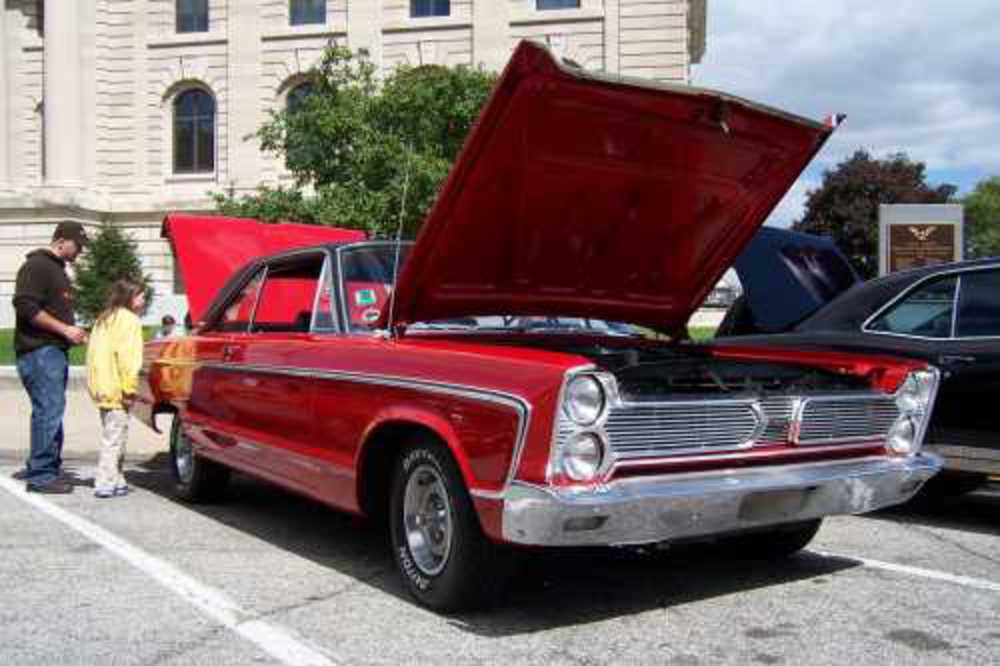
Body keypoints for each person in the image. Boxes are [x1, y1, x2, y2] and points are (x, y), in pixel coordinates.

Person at [12, 221, 89, 494]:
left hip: (50, 351)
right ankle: (42, 476)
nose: (80, 251)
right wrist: (65, 330)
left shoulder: (56, 270)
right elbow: (25, 306)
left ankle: (45, 468)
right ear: (61, 241)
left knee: (48, 411)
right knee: (49, 411)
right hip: (40, 351)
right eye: (78, 245)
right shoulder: (37, 266)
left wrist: (73, 331)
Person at [85, 280, 145, 499]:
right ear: (130, 297)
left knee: (115, 433)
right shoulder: (130, 321)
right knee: (114, 438)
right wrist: (129, 389)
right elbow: (129, 358)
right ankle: (105, 482)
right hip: (117, 387)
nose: (143, 300)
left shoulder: (104, 318)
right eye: (141, 296)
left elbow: (93, 355)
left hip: (102, 386)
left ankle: (118, 479)